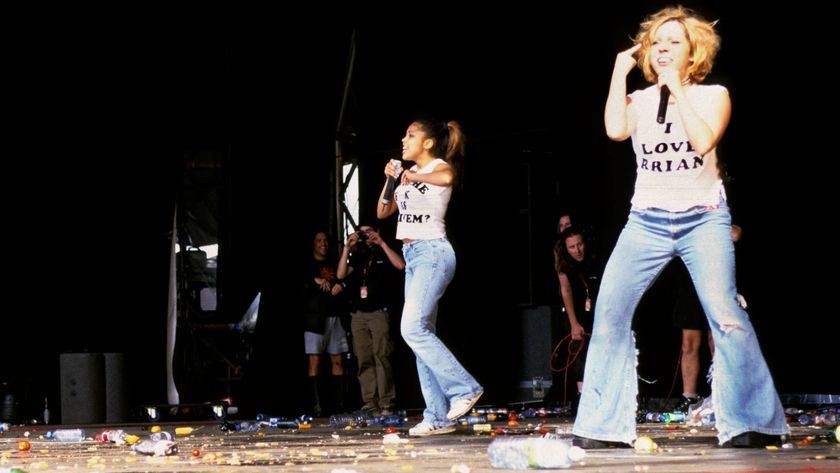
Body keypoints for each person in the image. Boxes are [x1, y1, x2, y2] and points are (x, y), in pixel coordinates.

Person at [572, 6, 788, 448]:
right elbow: (614, 130)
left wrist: (676, 90)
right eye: (657, 42)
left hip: (703, 218)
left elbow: (702, 141)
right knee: (610, 311)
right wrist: (619, 73)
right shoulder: (639, 101)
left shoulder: (714, 95)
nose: (663, 48)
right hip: (646, 221)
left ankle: (752, 422)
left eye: (674, 42)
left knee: (724, 314)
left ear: (694, 52)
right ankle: (601, 427)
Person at [376, 119, 483, 436]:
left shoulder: (438, 167)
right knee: (420, 335)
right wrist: (390, 180)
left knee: (412, 328)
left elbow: (447, 177)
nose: (403, 139)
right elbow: (383, 212)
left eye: (411, 135)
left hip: (432, 252)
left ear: (428, 143)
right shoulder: (406, 174)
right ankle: (438, 417)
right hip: (412, 256)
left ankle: (464, 388)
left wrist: (414, 176)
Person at [337, 225, 405, 417]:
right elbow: (340, 274)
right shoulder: (358, 255)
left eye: (369, 231)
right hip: (358, 314)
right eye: (362, 233)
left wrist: (381, 242)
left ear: (377, 231)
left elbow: (401, 265)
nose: (366, 236)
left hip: (378, 312)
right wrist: (347, 248)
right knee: (363, 358)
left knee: (381, 356)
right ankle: (370, 401)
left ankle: (386, 402)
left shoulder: (383, 252)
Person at [552, 227, 603, 410]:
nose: (577, 250)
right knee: (579, 350)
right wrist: (574, 323)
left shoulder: (594, 259)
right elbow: (566, 291)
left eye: (579, 245)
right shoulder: (563, 264)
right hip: (575, 310)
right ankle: (582, 396)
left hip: (597, 309)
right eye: (572, 247)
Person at [301, 230, 350, 417]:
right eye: (319, 240)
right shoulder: (307, 264)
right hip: (315, 320)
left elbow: (347, 277)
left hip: (335, 317)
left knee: (338, 360)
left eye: (325, 240)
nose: (323, 244)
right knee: (315, 361)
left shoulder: (335, 261)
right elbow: (299, 285)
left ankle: (340, 406)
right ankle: (317, 407)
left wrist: (341, 285)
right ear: (313, 244)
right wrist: (314, 280)